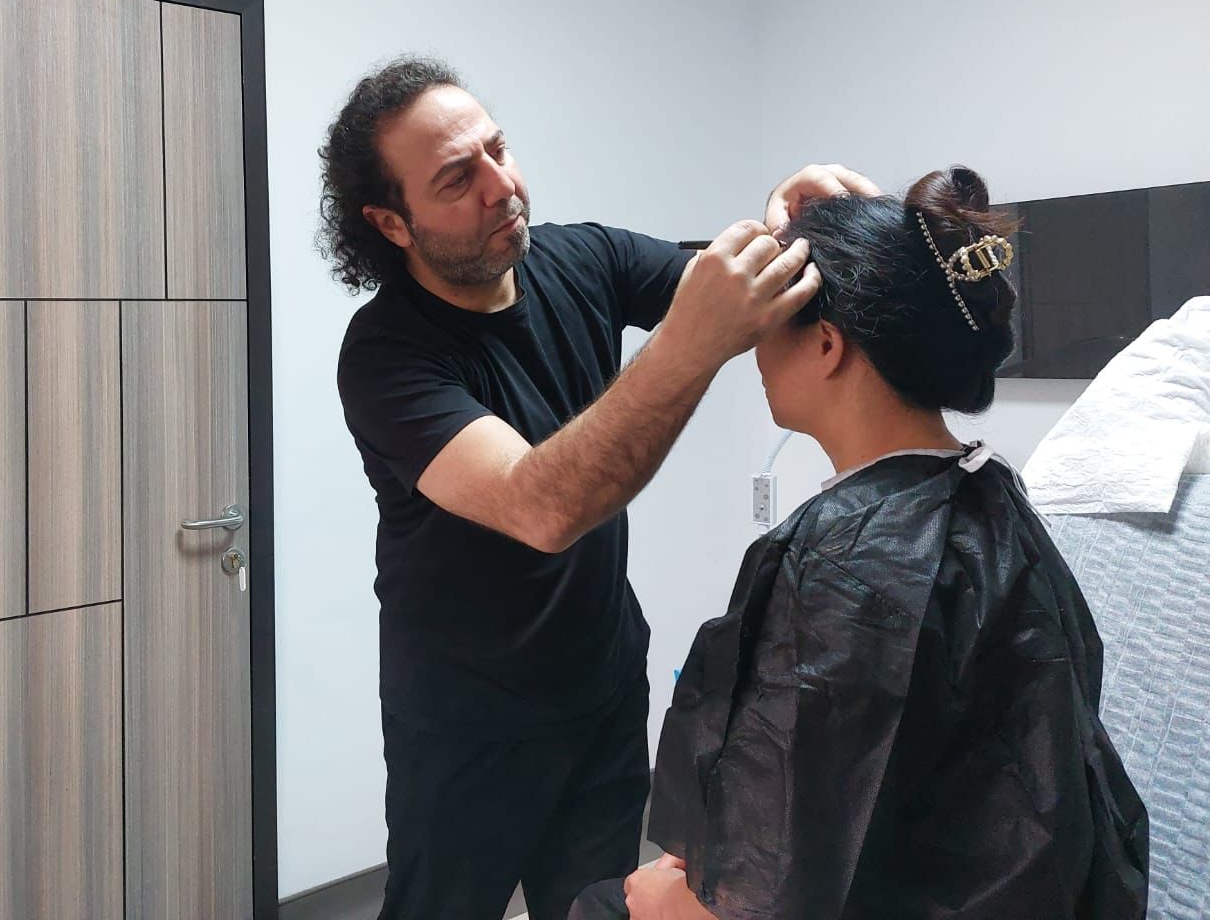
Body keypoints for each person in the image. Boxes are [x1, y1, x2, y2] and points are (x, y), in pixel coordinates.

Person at [320, 55, 873, 920]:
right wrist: (687, 349)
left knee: (594, 907)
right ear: (392, 223)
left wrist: (781, 220)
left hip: (602, 695)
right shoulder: (388, 355)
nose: (501, 187)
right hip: (464, 729)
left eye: (498, 149)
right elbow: (542, 507)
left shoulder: (583, 257)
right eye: (458, 179)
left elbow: (726, 291)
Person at [571, 167, 1150, 920]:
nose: (753, 354)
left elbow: (781, 880)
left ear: (826, 345)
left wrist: (674, 903)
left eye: (767, 328)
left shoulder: (841, 562)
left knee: (603, 902)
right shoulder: (994, 494)